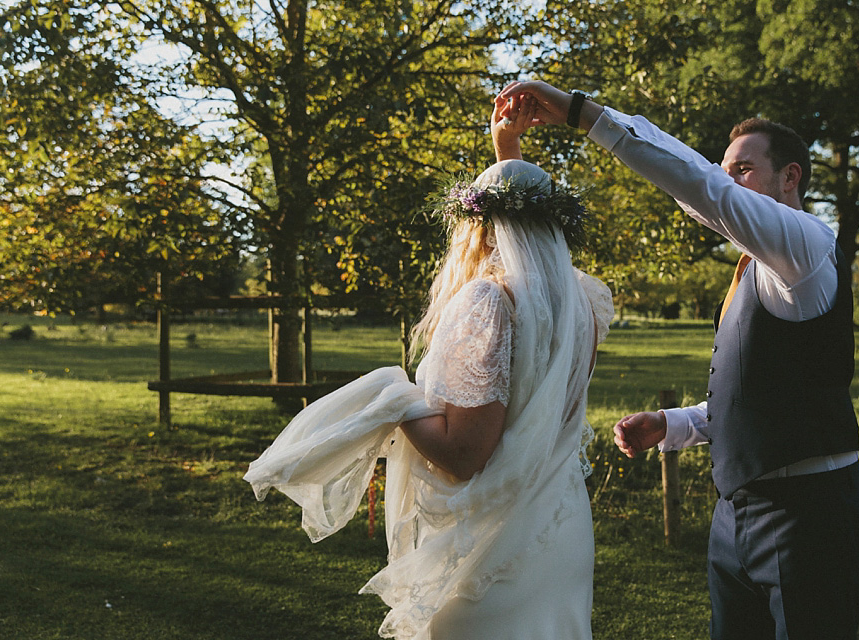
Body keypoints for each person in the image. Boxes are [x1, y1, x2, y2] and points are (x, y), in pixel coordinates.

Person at [497, 80, 859, 640]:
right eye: (726, 168)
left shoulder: (809, 248)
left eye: (742, 169)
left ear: (790, 177)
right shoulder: (753, 270)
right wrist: (674, 426)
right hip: (736, 517)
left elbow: (699, 187)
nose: (727, 179)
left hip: (809, 517)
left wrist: (583, 114)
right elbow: (760, 395)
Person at [244, 96, 614, 640]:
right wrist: (506, 155)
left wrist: (395, 402)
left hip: (496, 549)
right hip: (560, 533)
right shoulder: (582, 301)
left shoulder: (489, 303)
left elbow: (465, 454)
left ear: (477, 226)